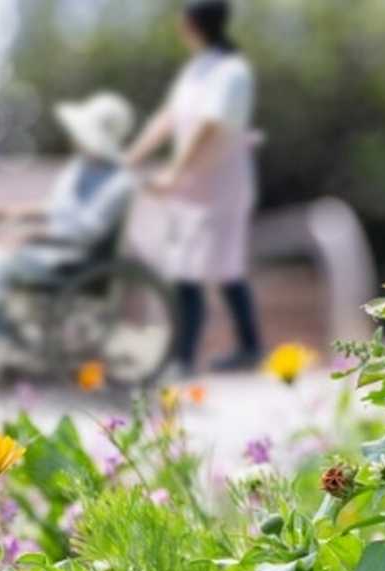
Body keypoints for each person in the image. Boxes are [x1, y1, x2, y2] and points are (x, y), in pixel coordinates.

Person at [0, 92, 136, 359]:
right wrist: (15, 213)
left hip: (70, 258)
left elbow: (86, 230)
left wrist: (29, 236)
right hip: (46, 247)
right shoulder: (79, 168)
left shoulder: (119, 183)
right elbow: (56, 207)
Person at [125, 0, 262, 374]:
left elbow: (209, 128)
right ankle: (235, 350)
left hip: (220, 183)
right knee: (196, 267)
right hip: (193, 184)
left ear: (193, 24)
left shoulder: (232, 71)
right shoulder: (197, 70)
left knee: (212, 268)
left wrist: (175, 172)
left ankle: (191, 358)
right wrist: (132, 157)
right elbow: (168, 119)